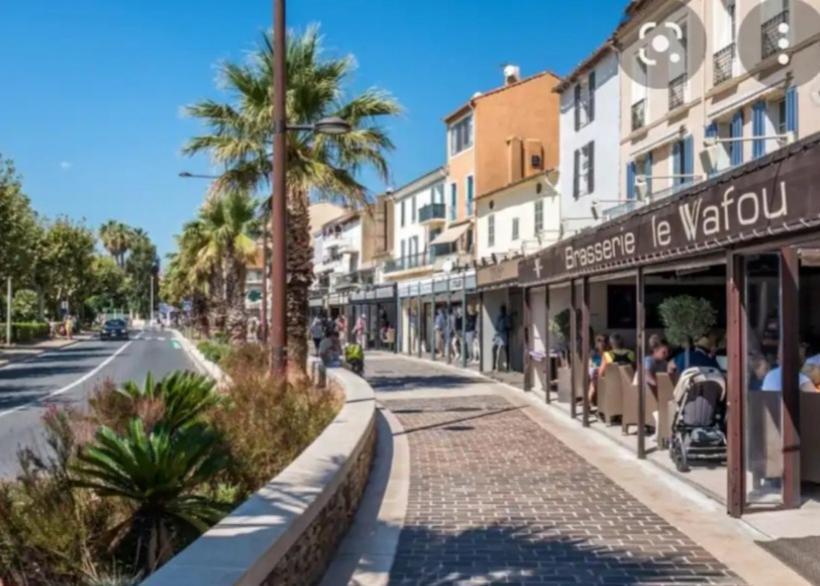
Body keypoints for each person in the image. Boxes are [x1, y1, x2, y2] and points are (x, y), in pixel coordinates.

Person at [643, 335, 670, 400]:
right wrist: (660, 385)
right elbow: (647, 376)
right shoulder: (648, 360)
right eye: (664, 352)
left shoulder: (664, 363)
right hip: (646, 392)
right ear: (655, 351)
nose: (667, 355)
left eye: (668, 352)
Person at [588, 334, 609, 405]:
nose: (600, 342)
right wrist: (594, 366)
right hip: (594, 370)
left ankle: (588, 400)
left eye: (602, 340)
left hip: (604, 372)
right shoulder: (593, 352)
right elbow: (590, 363)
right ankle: (589, 400)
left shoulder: (608, 352)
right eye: (598, 340)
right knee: (594, 375)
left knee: (594, 379)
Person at [493, 305, 512, 371]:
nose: (502, 311)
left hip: (504, 334)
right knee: (494, 349)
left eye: (503, 309)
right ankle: (495, 366)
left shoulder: (507, 317)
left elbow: (509, 326)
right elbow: (496, 326)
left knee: (506, 350)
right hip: (499, 335)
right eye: (501, 309)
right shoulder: (499, 317)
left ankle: (507, 366)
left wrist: (506, 327)